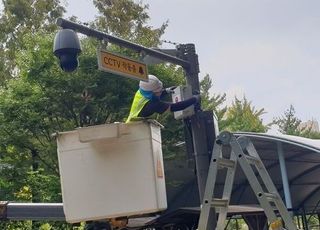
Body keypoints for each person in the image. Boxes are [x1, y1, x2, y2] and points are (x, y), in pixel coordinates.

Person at [126, 74, 200, 123]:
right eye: (159, 91)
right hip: (134, 128)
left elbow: (152, 97)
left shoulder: (142, 91)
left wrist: (166, 91)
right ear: (153, 93)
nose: (161, 91)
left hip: (133, 125)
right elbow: (175, 107)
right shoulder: (153, 105)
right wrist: (194, 99)